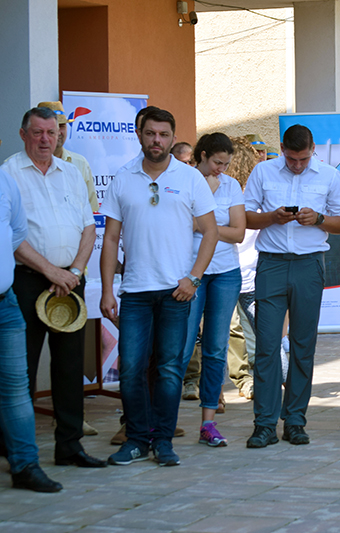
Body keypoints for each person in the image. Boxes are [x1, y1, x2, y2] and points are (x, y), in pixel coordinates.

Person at [100, 108, 219, 466]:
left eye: (164, 135)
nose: (157, 141)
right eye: (151, 134)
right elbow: (110, 240)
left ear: (172, 136)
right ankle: (136, 439)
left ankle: (164, 440)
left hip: (176, 291)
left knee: (169, 369)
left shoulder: (190, 178)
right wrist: (108, 289)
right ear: (140, 134)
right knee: (133, 369)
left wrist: (193, 277)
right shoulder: (122, 178)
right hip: (135, 291)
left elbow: (211, 231)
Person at [2, 107, 106, 469]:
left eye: (52, 133)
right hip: (28, 281)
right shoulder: (8, 174)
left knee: (68, 366)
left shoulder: (72, 173)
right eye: (38, 133)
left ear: (60, 135)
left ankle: (70, 447)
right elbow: (11, 237)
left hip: (71, 280)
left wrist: (75, 269)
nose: (46, 140)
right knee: (21, 369)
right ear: (23, 134)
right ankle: (15, 450)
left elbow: (88, 226)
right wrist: (50, 271)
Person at [243, 124, 340, 448]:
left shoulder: (329, 175)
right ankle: (264, 424)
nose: (298, 165)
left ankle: (295, 421)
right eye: (292, 159)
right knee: (266, 346)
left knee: (303, 346)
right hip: (271, 263)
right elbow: (246, 218)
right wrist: (272, 217)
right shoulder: (263, 171)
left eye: (303, 159)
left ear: (312, 150)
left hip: (309, 264)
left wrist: (317, 219)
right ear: (283, 149)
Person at [180, 133, 245, 447]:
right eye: (217, 162)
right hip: (190, 271)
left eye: (226, 164)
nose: (221, 168)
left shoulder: (230, 185)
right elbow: (177, 224)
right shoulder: (183, 179)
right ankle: (162, 419)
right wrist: (206, 209)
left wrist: (203, 225)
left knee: (216, 347)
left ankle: (208, 422)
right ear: (202, 155)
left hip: (225, 273)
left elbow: (238, 233)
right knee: (181, 345)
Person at [0, 167, 63, 492]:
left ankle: (25, 465)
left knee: (15, 388)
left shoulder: (4, 182)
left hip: (5, 302)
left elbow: (14, 232)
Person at [37, 101, 99, 212]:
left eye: (62, 126)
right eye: (53, 127)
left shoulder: (80, 163)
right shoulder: (17, 168)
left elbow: (92, 209)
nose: (58, 132)